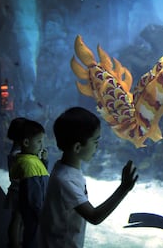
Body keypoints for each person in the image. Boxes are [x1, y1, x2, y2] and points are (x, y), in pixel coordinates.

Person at [39, 106, 138, 248]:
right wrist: (123, 188)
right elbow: (94, 216)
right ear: (78, 147)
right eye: (95, 142)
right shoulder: (66, 180)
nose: (97, 147)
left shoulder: (63, 167)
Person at [10, 120, 49, 248]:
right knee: (33, 237)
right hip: (36, 211)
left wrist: (44, 161)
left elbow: (40, 175)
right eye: (39, 141)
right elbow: (34, 194)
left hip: (36, 211)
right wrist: (41, 212)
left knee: (30, 233)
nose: (41, 145)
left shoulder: (32, 159)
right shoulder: (28, 164)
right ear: (26, 143)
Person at [4, 117, 27, 248]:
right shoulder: (18, 154)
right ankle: (14, 244)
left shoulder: (15, 151)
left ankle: (16, 241)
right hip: (19, 190)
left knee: (18, 218)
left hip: (17, 189)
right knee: (17, 219)